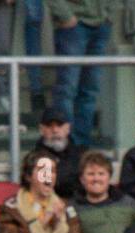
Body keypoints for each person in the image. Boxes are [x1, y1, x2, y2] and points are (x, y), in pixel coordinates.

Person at [0, 151, 83, 233]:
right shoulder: (11, 207)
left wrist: (59, 224)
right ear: (28, 176)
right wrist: (40, 224)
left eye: (52, 171)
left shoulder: (66, 206)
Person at [49, 0, 114, 147]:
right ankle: (64, 145)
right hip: (73, 24)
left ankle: (82, 145)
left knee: (90, 90)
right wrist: (65, 16)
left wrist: (108, 14)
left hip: (100, 24)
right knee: (67, 89)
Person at [73, 151, 135, 233]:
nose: (96, 178)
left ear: (109, 177)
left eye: (101, 174)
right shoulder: (73, 209)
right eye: (91, 174)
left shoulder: (129, 204)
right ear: (82, 179)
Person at [32, 107, 85, 200]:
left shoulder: (82, 155)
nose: (55, 130)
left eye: (59, 125)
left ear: (68, 128)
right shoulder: (34, 158)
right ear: (41, 129)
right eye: (49, 126)